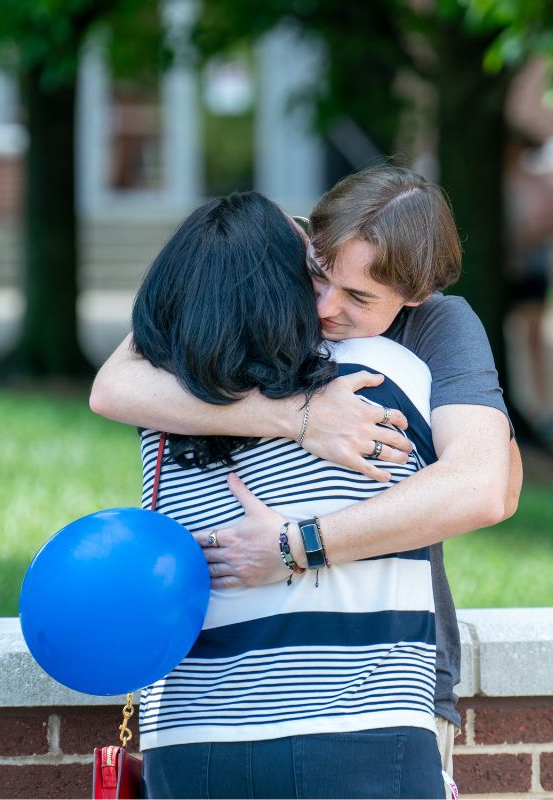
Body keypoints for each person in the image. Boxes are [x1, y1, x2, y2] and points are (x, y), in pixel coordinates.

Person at [90, 165, 521, 781]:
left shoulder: (439, 328)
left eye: (359, 298)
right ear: (307, 241)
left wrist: (296, 547)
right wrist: (299, 416)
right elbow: (113, 385)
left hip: (387, 691)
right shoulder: (270, 260)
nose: (324, 307)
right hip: (236, 708)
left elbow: (484, 487)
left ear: (416, 292)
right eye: (317, 274)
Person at [131, 191, 443, 797]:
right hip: (356, 724)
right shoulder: (383, 374)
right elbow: (475, 487)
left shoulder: (160, 413)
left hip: (187, 739)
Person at [504, 129, 553, 437]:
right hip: (504, 271)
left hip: (532, 269)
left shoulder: (537, 184)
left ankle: (542, 405)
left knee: (534, 338)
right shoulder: (496, 184)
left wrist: (532, 232)